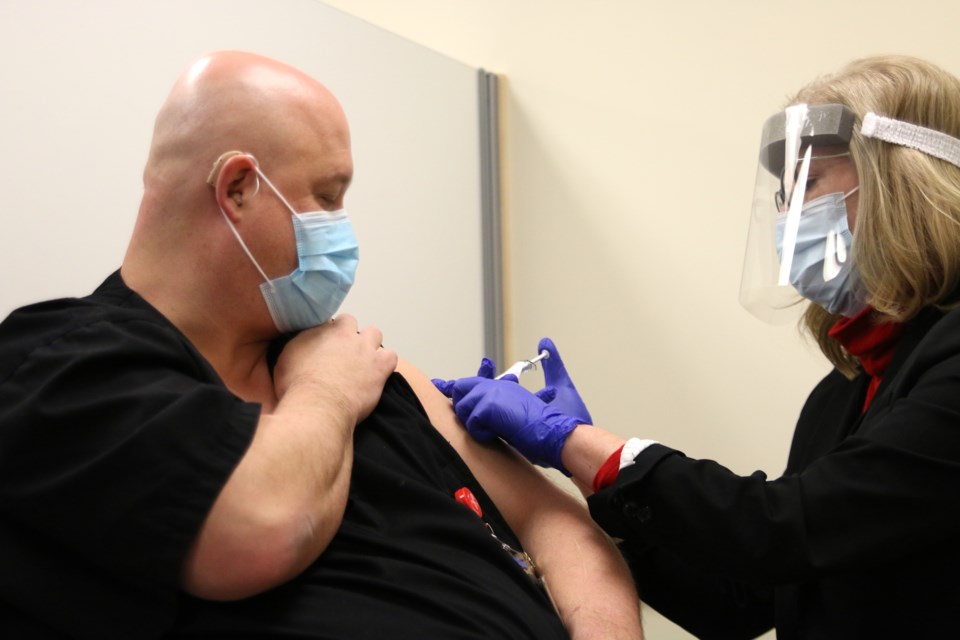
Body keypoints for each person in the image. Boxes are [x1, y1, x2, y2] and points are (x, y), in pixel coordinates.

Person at [0, 51, 643, 639]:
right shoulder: (61, 362)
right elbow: (259, 529)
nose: (343, 229)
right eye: (328, 197)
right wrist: (327, 391)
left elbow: (560, 526)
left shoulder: (367, 367)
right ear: (238, 189)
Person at [436, 55, 960, 639]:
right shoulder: (840, 397)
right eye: (783, 196)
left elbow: (789, 527)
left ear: (905, 182)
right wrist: (593, 480)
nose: (789, 218)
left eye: (808, 184)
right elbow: (738, 601)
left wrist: (580, 445)